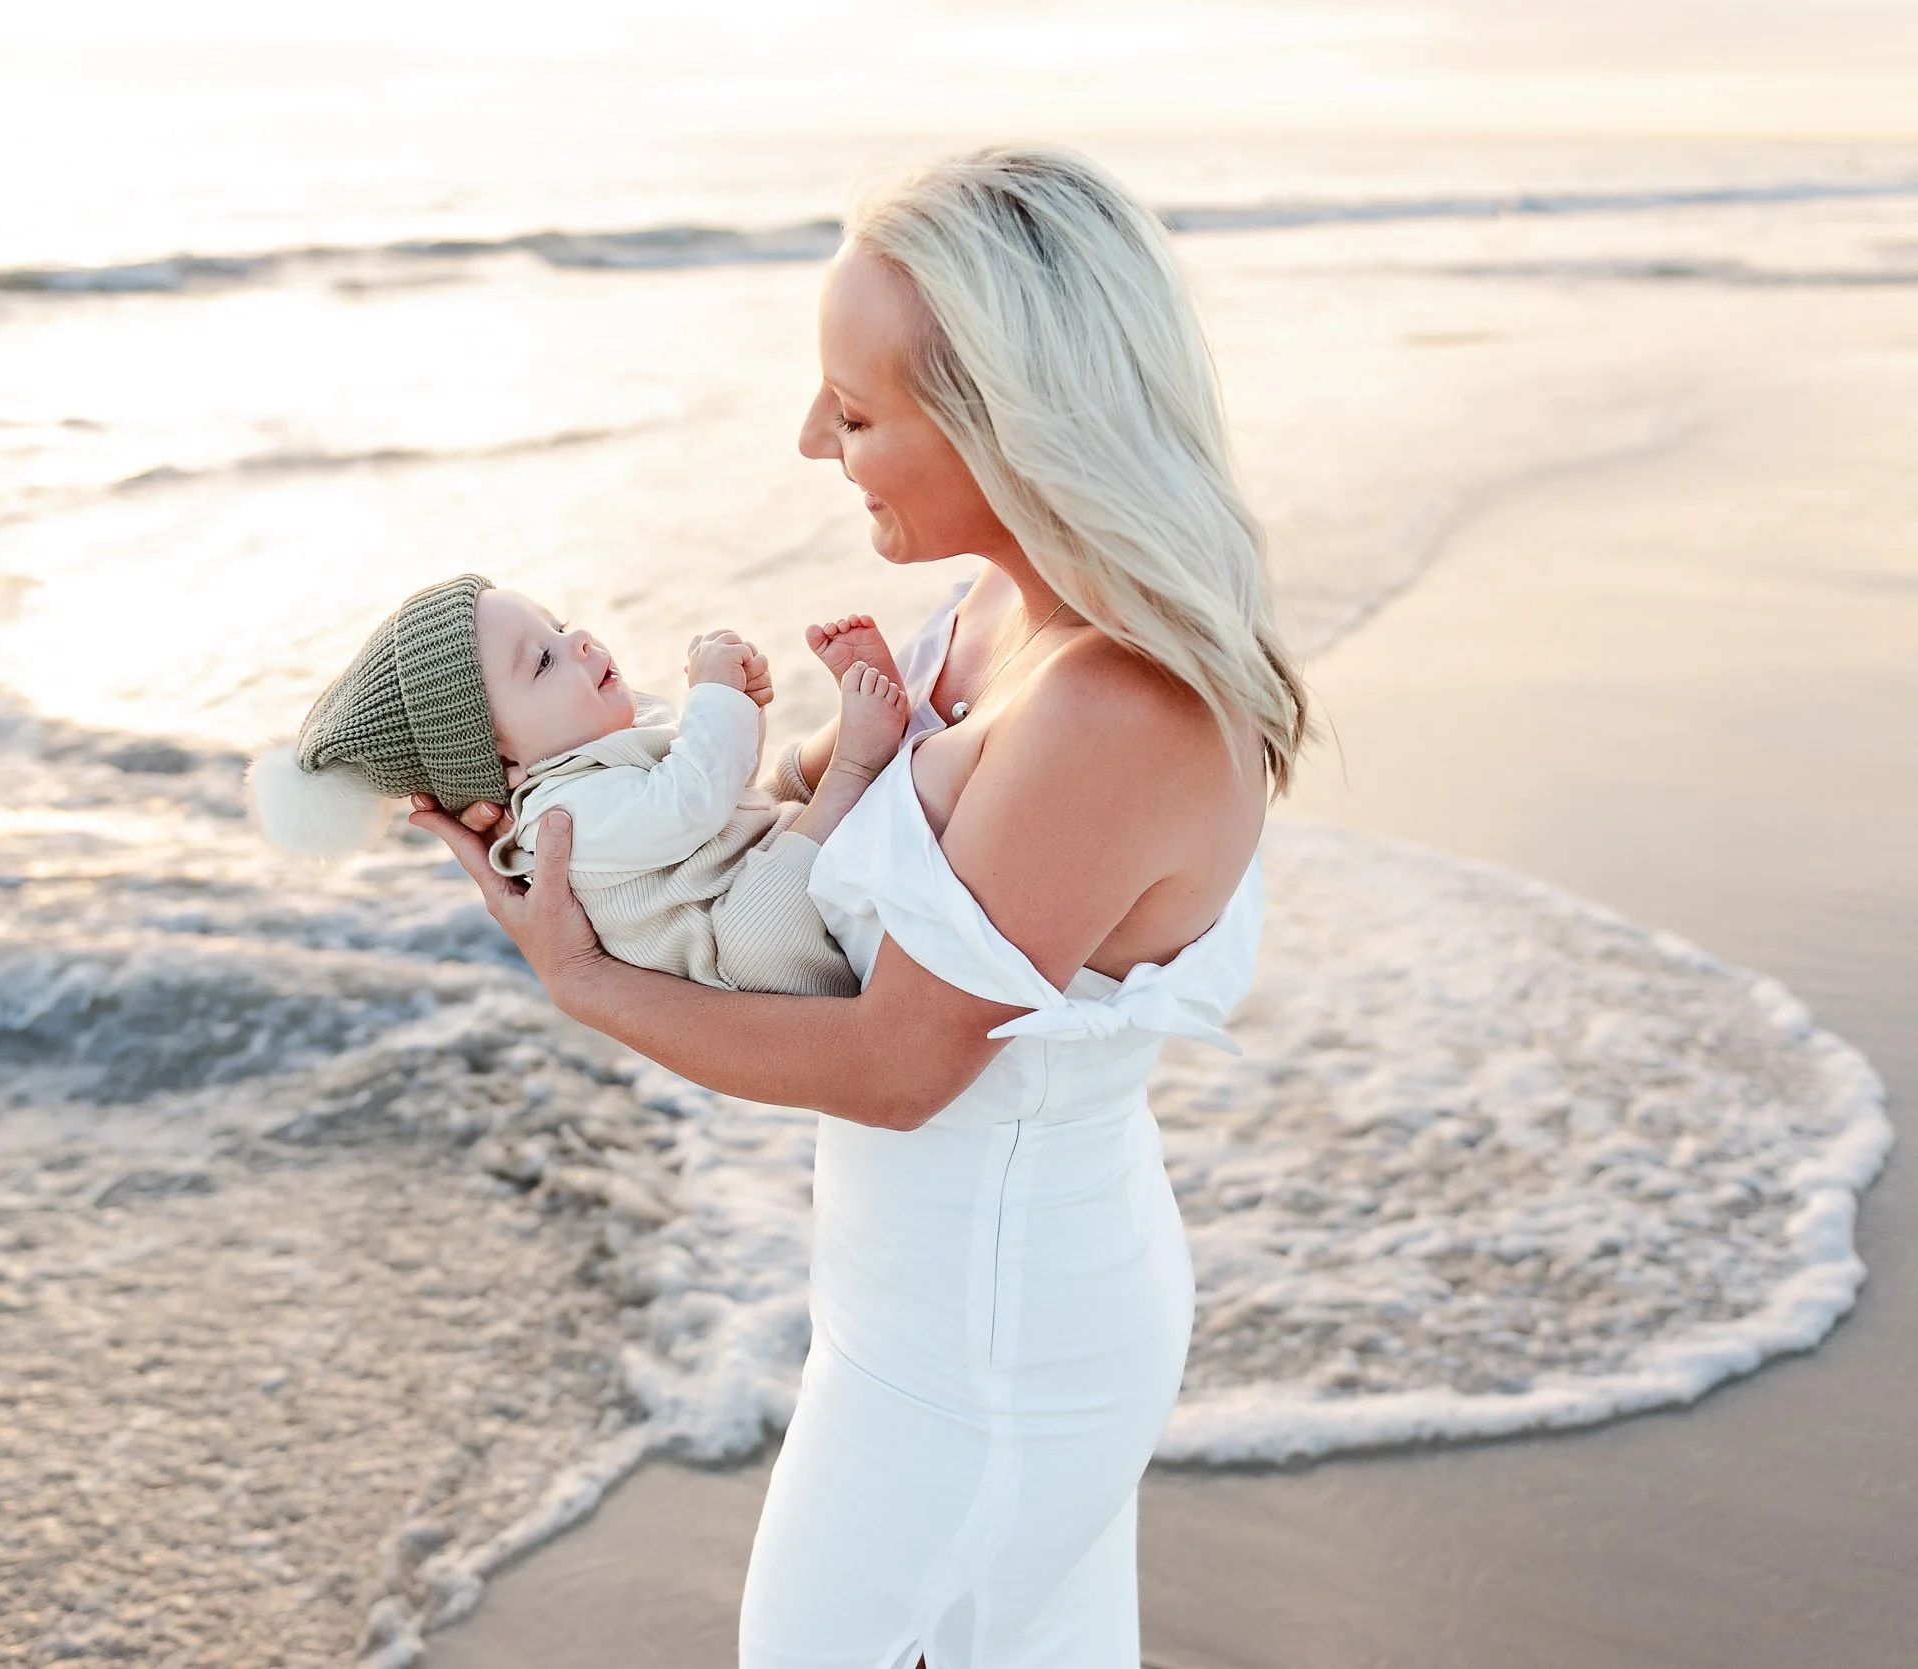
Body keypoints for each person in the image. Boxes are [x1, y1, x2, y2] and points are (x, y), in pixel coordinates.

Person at [414, 144, 1309, 1668]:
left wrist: (588, 984)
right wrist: (577, 797)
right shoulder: (991, 613)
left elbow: (902, 1065)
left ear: (1002, 422)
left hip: (989, 1352)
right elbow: (776, 830)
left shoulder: (1112, 708)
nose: (811, 438)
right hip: (937, 1307)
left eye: (858, 408)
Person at [244, 575, 912, 997]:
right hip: (743, 944)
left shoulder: (596, 739)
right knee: (766, 904)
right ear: (505, 766)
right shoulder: (562, 815)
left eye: (558, 628)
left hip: (744, 850)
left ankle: (861, 726)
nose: (581, 642)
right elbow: (692, 800)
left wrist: (745, 702)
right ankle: (858, 761)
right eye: (542, 660)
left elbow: (719, 780)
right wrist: (713, 694)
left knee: (785, 781)